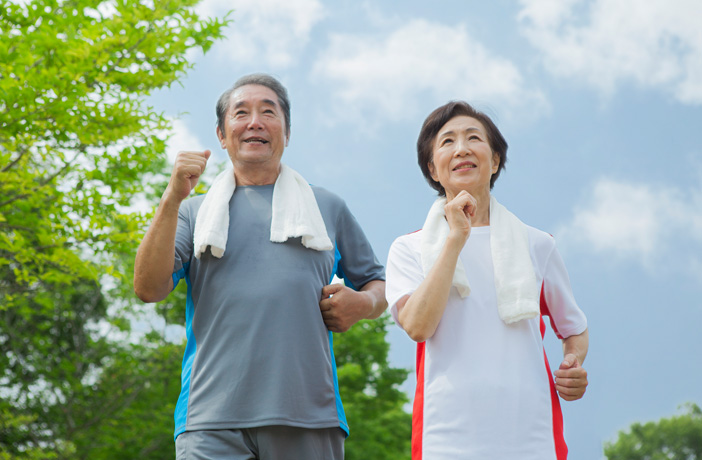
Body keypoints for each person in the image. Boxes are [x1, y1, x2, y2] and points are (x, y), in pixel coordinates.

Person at [133, 73, 387, 460]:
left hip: (309, 417)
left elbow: (378, 284)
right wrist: (171, 197)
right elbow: (149, 288)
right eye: (241, 113)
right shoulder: (192, 210)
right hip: (208, 420)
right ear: (222, 134)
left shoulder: (327, 207)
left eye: (268, 112)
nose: (255, 121)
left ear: (286, 132)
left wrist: (364, 304)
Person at [385, 101, 589, 460]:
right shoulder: (409, 248)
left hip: (532, 434)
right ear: (433, 169)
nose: (461, 148)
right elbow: (417, 325)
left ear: (494, 161)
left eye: (473, 138)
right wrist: (455, 240)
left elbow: (573, 327)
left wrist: (573, 363)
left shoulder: (537, 244)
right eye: (447, 141)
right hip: (445, 435)